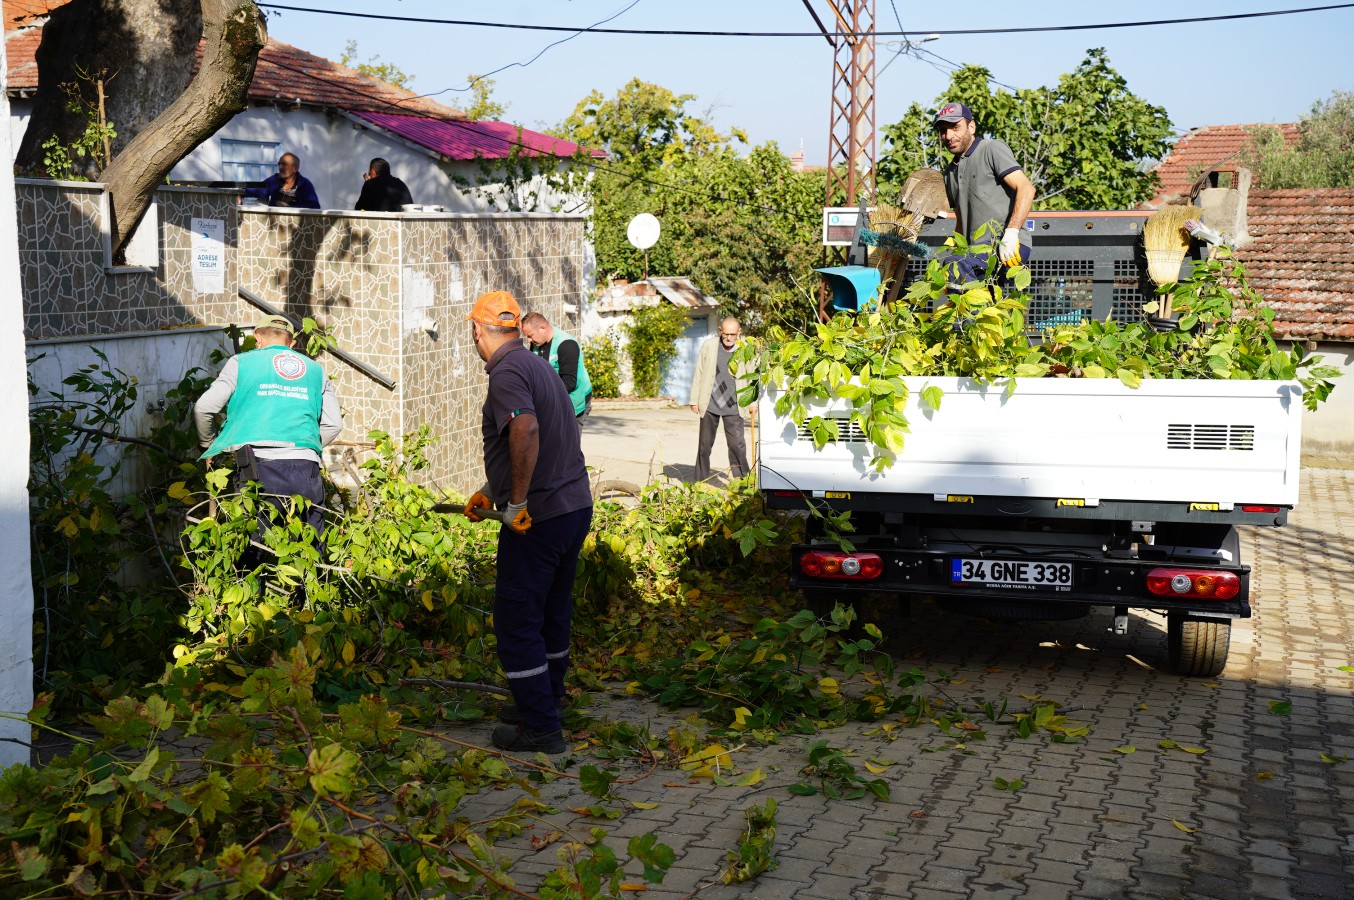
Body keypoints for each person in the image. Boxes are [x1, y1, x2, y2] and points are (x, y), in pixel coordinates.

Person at [462, 290, 593, 755]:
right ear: (516, 327)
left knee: (517, 619)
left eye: (473, 335)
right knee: (551, 614)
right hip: (573, 507)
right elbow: (546, 437)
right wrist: (493, 492)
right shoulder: (538, 363)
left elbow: (526, 429)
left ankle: (541, 728)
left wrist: (514, 503)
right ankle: (545, 701)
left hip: (539, 516)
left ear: (478, 331)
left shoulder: (507, 372)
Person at [194, 314, 343, 551]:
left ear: (257, 338)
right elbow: (334, 424)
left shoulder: (240, 363)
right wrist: (305, 445)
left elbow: (204, 408)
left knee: (256, 550)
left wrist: (208, 444)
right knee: (310, 551)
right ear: (292, 343)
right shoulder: (317, 371)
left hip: (257, 468)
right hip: (307, 468)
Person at [932, 101, 1036, 284]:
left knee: (958, 266)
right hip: (974, 252)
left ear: (971, 127)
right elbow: (961, 219)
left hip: (1006, 245)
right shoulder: (949, 172)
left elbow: (1026, 188)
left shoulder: (991, 149)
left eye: (955, 127)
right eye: (943, 130)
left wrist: (1011, 234)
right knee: (953, 270)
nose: (948, 136)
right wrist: (954, 248)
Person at [689, 317, 753, 484]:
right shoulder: (709, 346)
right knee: (704, 446)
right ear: (720, 331)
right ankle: (699, 483)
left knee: (737, 446)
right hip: (710, 403)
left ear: (739, 333)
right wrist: (694, 399)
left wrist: (753, 403)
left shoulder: (746, 348)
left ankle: (742, 482)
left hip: (734, 406)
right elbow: (699, 372)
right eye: (726, 334)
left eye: (733, 334)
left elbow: (753, 378)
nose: (729, 338)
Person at [520, 311, 593, 424]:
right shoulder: (536, 343)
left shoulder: (566, 345)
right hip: (553, 399)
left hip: (574, 400)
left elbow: (569, 382)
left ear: (542, 328)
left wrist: (542, 395)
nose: (528, 340)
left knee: (568, 440)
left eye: (530, 335)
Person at [242, 152, 321, 209]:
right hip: (274, 224)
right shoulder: (274, 180)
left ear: (295, 168)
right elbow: (257, 189)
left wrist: (292, 210)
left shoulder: (305, 184)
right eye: (279, 164)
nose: (280, 167)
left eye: (284, 164)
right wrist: (240, 193)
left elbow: (314, 206)